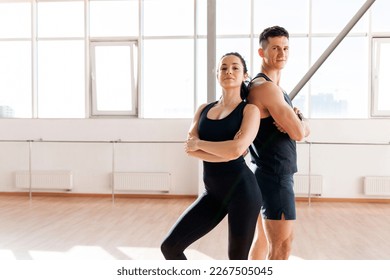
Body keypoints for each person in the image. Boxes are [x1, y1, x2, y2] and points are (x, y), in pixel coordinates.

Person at [161, 52, 262, 260]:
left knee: (237, 261)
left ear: (245, 75)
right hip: (213, 194)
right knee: (170, 247)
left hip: (243, 194)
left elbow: (235, 150)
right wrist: (224, 151)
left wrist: (201, 145)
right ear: (217, 74)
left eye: (235, 67)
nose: (229, 72)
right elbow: (190, 148)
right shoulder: (203, 110)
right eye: (223, 68)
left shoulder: (249, 111)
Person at [247, 26, 310, 260]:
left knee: (262, 241)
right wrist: (297, 123)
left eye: (285, 48)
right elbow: (299, 133)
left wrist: (297, 122)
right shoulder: (266, 89)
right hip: (276, 175)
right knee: (282, 247)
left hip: (265, 171)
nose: (282, 53)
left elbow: (300, 128)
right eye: (275, 48)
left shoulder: (273, 89)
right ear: (262, 53)